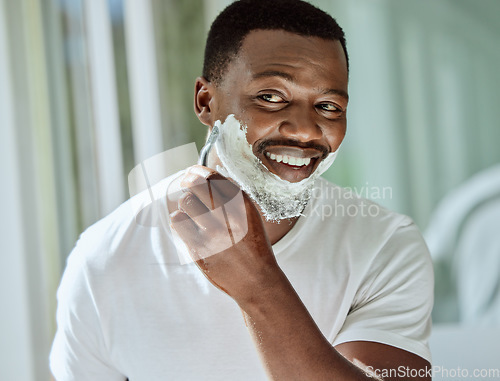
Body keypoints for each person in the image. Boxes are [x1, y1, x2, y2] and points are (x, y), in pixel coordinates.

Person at [50, 1, 433, 380]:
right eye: (270, 97)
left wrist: (257, 282)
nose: (304, 129)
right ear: (206, 103)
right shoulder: (104, 259)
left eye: (328, 106)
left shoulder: (386, 246)